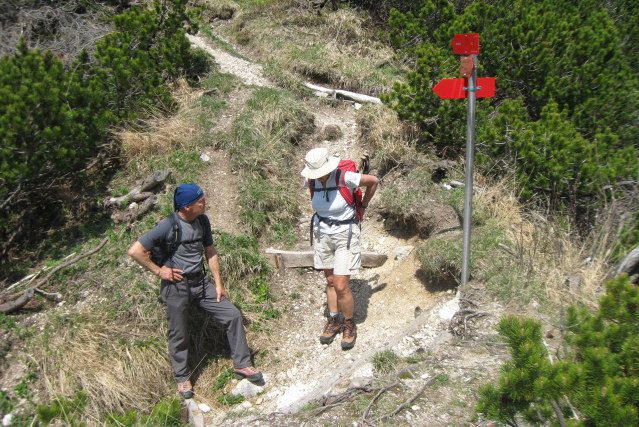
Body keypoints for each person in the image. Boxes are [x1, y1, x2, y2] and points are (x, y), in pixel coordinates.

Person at [128, 183, 263, 399]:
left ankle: (242, 364)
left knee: (233, 315)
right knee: (178, 333)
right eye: (200, 200)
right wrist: (160, 271)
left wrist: (218, 283)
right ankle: (182, 379)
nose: (205, 202)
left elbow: (210, 251)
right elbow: (135, 250)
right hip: (176, 286)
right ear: (186, 207)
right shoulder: (167, 226)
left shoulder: (202, 221)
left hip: (200, 282)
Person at [301, 147, 378, 350]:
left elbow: (373, 181)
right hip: (322, 233)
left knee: (341, 284)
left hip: (345, 233)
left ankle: (348, 323)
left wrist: (363, 206)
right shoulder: (310, 181)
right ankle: (334, 319)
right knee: (330, 281)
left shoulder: (346, 177)